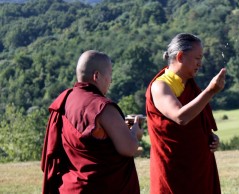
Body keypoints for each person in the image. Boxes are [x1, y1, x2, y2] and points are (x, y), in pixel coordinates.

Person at [41, 50, 143, 194]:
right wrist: (135, 133)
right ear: (97, 76)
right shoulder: (103, 107)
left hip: (70, 187)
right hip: (100, 188)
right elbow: (129, 148)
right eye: (110, 74)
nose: (111, 80)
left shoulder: (65, 100)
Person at [145, 33, 226, 194]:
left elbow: (197, 121)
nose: (200, 64)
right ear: (181, 56)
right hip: (174, 169)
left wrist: (209, 136)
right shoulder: (160, 86)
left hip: (199, 166)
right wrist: (210, 91)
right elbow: (181, 117)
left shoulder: (188, 84)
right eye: (197, 58)